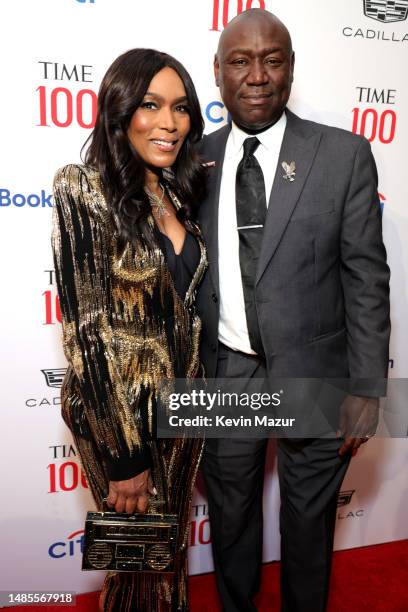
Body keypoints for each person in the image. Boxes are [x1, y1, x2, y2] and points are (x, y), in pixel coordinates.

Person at [196, 9, 390, 612]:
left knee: (308, 525)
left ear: (290, 70)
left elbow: (365, 277)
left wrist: (367, 386)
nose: (257, 76)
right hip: (226, 370)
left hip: (317, 371)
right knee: (231, 517)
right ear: (220, 75)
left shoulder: (343, 155)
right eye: (240, 61)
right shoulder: (190, 162)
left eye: (272, 60)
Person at [52, 48, 208, 612]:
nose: (170, 122)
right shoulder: (82, 188)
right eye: (151, 105)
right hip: (122, 417)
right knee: (138, 563)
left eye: (182, 108)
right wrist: (126, 457)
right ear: (120, 111)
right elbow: (88, 332)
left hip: (183, 411)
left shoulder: (177, 193)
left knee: (164, 557)